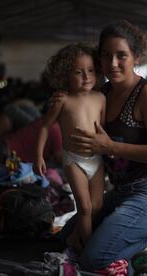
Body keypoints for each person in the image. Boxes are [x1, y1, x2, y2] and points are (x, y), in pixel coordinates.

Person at [55, 21, 147, 271]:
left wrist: (110, 146)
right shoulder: (102, 93)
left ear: (137, 57)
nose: (112, 63)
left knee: (92, 258)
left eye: (121, 55)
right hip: (121, 192)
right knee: (65, 239)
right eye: (106, 55)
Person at [35, 43, 106, 251]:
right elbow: (45, 127)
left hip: (97, 160)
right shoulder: (62, 100)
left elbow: (103, 130)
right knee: (84, 208)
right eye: (78, 71)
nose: (86, 77)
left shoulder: (100, 98)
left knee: (97, 206)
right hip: (74, 160)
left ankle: (75, 237)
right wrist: (38, 156)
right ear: (66, 74)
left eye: (91, 70)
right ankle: (88, 251)